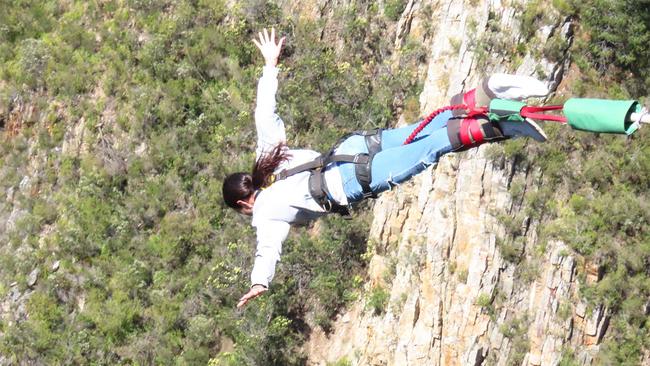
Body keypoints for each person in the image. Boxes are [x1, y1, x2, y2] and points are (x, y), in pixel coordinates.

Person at [223, 28, 549, 308]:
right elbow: (264, 113)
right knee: (423, 130)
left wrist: (259, 282)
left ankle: (505, 127)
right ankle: (486, 93)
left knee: (430, 148)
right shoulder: (268, 158)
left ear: (242, 204)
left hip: (352, 179)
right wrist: (269, 66)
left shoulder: (264, 212)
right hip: (352, 148)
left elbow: (268, 249)